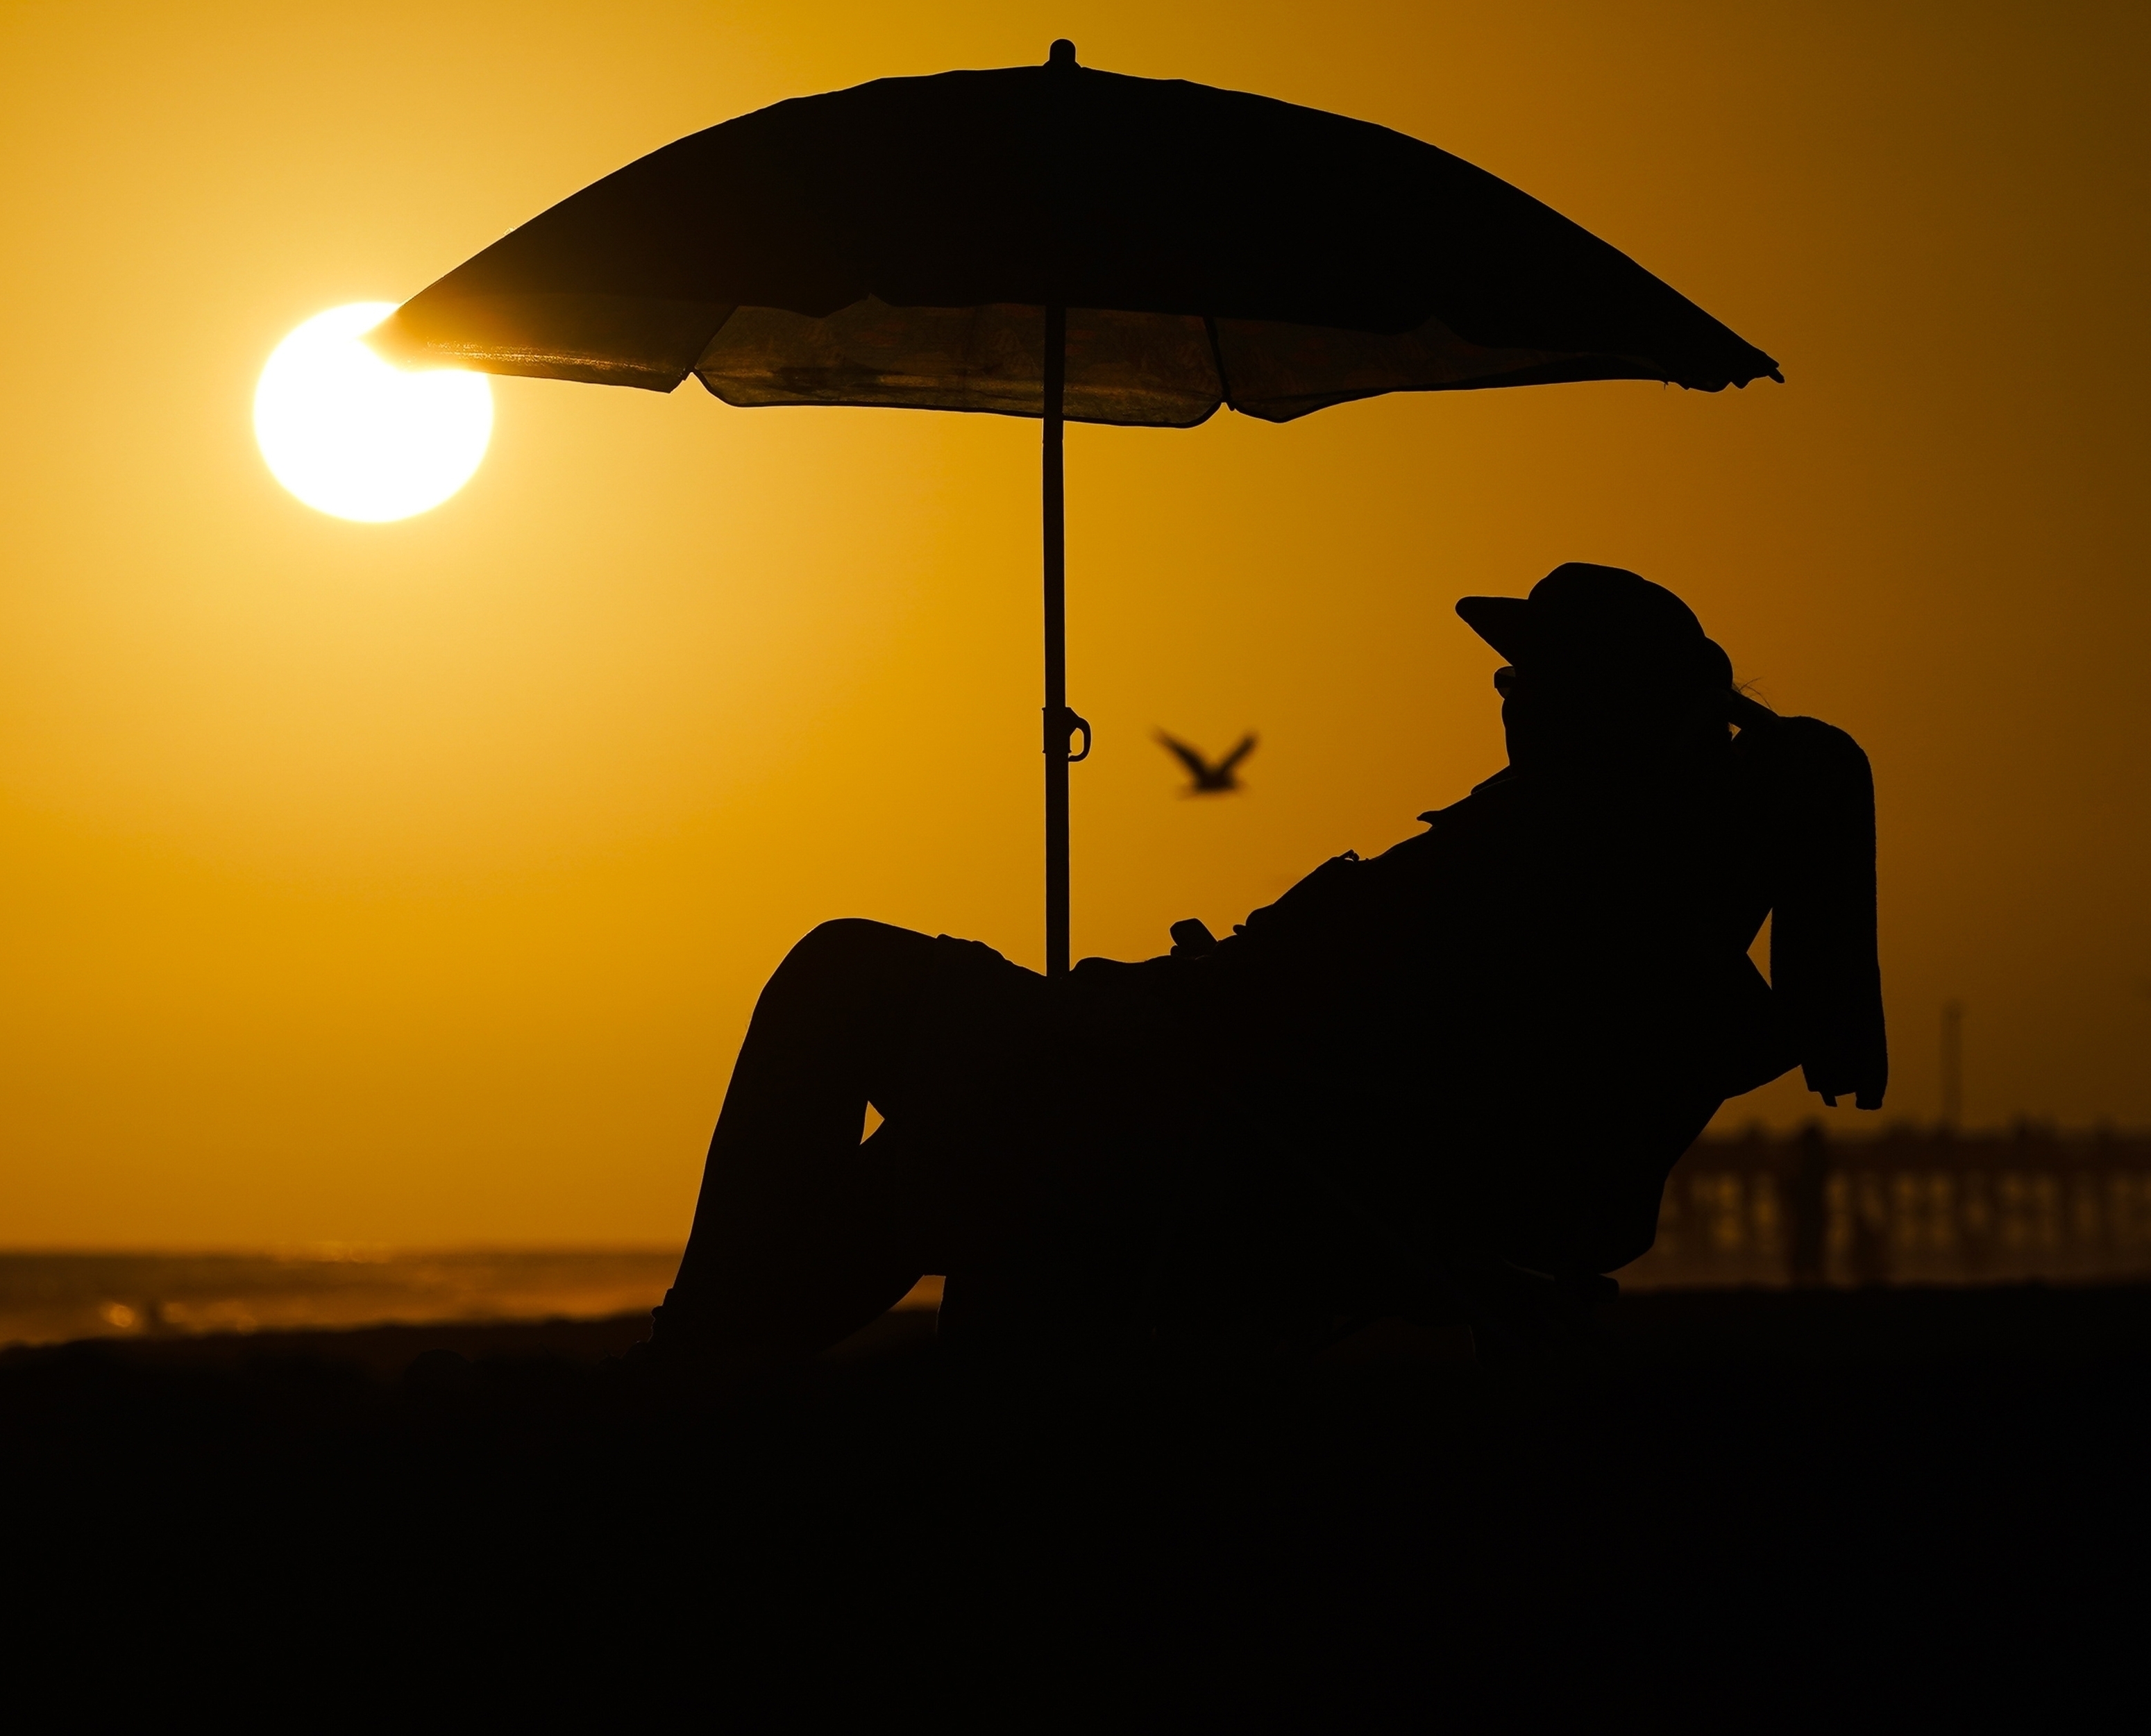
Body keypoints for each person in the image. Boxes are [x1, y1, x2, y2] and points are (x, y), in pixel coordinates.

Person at [641, 564, 1887, 1369]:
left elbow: (1329, 1013)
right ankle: (706, 1363)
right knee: (924, 1096)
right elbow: (1348, 999)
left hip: (1227, 1125)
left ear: (1589, 703)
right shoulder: (1611, 868)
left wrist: (1145, 1011)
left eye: (1526, 676)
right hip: (1235, 1099)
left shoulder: (1549, 858)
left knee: (856, 993)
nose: (1504, 695)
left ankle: (698, 1364)